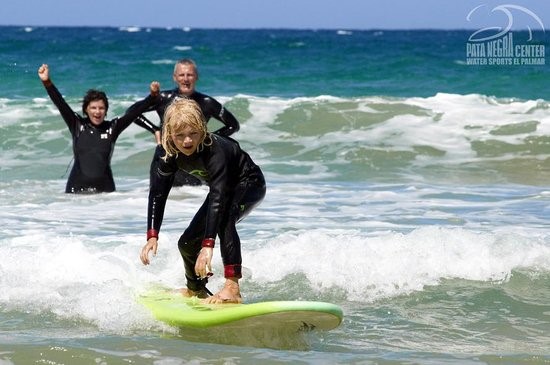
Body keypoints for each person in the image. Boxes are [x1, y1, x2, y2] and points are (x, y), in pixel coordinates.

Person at [139, 98, 265, 304]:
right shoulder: (167, 153)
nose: (187, 141)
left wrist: (208, 245)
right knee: (187, 244)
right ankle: (195, 289)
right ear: (170, 135)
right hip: (221, 191)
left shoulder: (216, 150)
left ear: (202, 130)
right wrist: (152, 235)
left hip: (248, 184)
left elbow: (218, 196)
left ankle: (232, 288)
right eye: (180, 136)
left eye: (193, 134)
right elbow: (158, 193)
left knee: (224, 219)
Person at [38, 64, 160, 193]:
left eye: (101, 108)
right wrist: (47, 82)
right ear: (86, 109)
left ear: (106, 110)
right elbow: (60, 103)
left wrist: (152, 96)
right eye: (93, 108)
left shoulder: (113, 128)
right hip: (76, 191)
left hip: (106, 193)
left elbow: (133, 114)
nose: (97, 112)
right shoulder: (77, 125)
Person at [134, 58, 240, 186]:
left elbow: (233, 125)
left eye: (189, 74)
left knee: (190, 200)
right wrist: (154, 129)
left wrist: (208, 139)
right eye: (181, 75)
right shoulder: (163, 98)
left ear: (196, 77)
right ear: (175, 77)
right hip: (164, 158)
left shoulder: (207, 102)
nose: (185, 79)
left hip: (193, 163)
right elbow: (133, 112)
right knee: (158, 197)